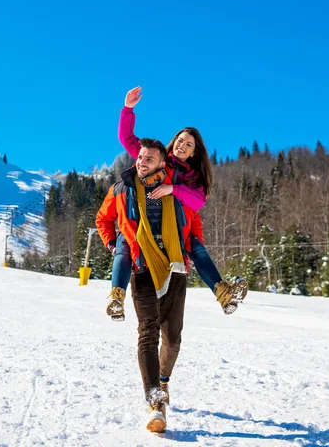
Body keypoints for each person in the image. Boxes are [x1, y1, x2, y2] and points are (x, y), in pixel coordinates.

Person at [105, 86, 247, 320]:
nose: (182, 145)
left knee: (197, 248)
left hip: (176, 229)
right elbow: (127, 139)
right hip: (146, 224)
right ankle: (116, 296)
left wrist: (172, 188)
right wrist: (128, 109)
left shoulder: (193, 178)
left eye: (188, 144)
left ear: (193, 152)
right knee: (125, 243)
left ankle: (223, 292)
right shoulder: (158, 158)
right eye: (180, 140)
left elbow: (198, 201)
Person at [96, 138, 204, 432]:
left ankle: (164, 381)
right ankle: (155, 402)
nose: (142, 160)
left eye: (149, 158)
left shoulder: (173, 188)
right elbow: (103, 219)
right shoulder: (122, 188)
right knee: (148, 333)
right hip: (141, 268)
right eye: (140, 156)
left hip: (174, 268)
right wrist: (112, 244)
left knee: (173, 337)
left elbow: (193, 219)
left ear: (161, 163)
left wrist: (195, 248)